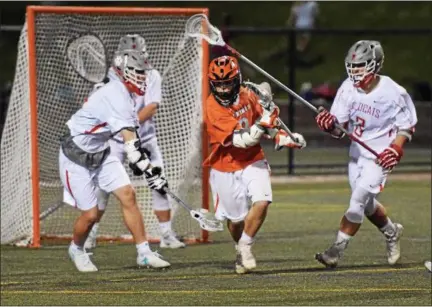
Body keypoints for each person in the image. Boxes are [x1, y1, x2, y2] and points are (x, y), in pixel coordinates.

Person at [59, 48, 171, 272]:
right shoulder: (115, 94)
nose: (143, 77)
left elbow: (129, 137)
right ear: (123, 72)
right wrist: (149, 170)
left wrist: (142, 164)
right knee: (91, 215)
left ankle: (144, 253)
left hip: (100, 152)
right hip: (75, 156)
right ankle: (76, 249)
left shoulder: (126, 94)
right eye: (137, 72)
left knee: (128, 194)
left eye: (143, 73)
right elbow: (130, 144)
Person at [314, 40, 418, 268]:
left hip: (380, 157)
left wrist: (396, 147)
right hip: (357, 156)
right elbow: (338, 129)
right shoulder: (347, 88)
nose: (355, 71)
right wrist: (328, 125)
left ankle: (335, 251)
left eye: (361, 66)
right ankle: (392, 232)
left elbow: (407, 125)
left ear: (375, 65)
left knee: (357, 201)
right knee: (368, 205)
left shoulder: (393, 92)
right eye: (353, 66)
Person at [204, 56, 306, 274]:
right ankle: (239, 245)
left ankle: (245, 246)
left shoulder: (249, 94)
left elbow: (269, 127)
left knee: (262, 201)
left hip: (252, 159)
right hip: (225, 165)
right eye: (218, 84)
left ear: (237, 79)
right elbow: (243, 140)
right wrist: (264, 122)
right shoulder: (212, 107)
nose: (223, 90)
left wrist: (286, 138)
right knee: (235, 220)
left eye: (227, 83)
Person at [84, 34, 185, 250]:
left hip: (144, 137)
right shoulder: (108, 80)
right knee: (104, 187)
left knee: (158, 182)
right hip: (113, 141)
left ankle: (166, 234)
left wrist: (130, 128)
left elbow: (151, 107)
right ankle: (90, 234)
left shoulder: (151, 75)